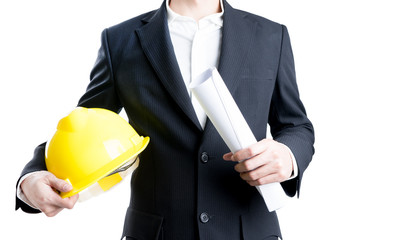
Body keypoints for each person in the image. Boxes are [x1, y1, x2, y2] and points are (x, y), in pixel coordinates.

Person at [16, 0, 315, 239]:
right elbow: (83, 125)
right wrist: (31, 177)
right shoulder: (120, 40)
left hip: (248, 230)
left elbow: (296, 126)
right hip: (157, 232)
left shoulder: (271, 35)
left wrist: (287, 156)